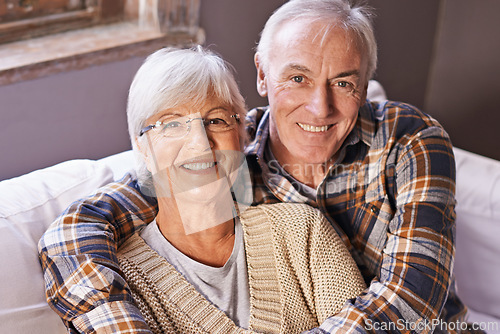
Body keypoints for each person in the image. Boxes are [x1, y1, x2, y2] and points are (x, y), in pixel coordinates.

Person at [39, 0, 467, 332]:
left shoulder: (408, 139)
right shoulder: (232, 155)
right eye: (297, 78)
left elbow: (410, 303)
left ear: (363, 87)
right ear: (263, 75)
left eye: (343, 83)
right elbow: (89, 223)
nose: (320, 108)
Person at [39, 46, 365, 333]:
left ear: (243, 136)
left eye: (217, 120)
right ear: (142, 148)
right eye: (172, 124)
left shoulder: (302, 232)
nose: (199, 144)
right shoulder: (120, 281)